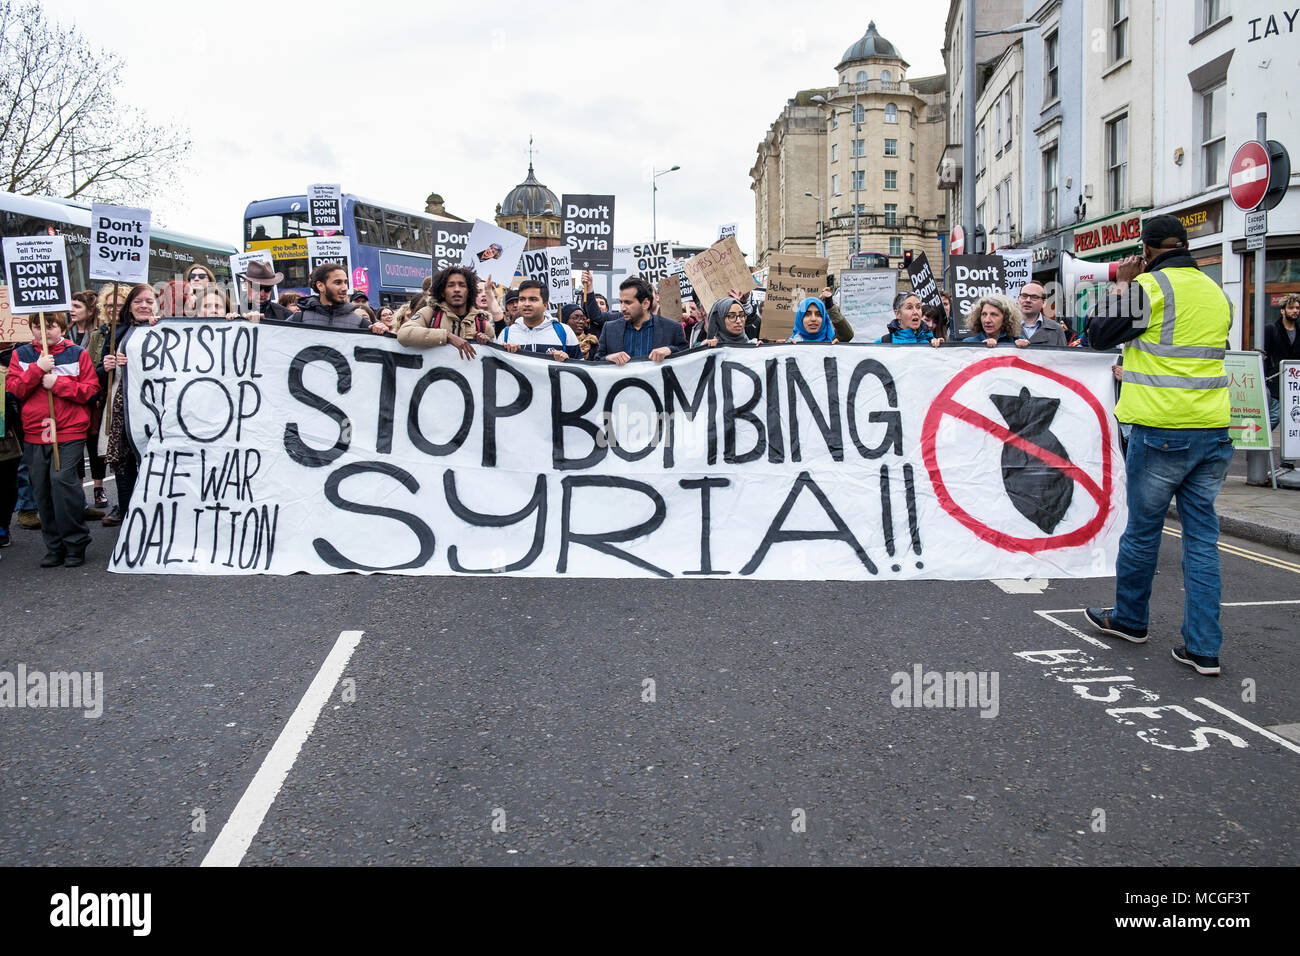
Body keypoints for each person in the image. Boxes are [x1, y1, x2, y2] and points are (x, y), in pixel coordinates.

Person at [1083, 214, 1235, 676]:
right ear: (1186, 244)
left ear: (1146, 250)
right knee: (1203, 540)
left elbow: (1096, 336)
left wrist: (1122, 286)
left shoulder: (1150, 289)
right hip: (1212, 432)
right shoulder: (1217, 293)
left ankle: (1130, 620)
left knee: (1144, 532)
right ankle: (1203, 648)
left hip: (1161, 431)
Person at [5, 311, 100, 567]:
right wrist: (37, 369)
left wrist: (57, 383)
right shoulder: (21, 355)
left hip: (69, 430)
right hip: (36, 432)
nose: (43, 331)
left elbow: (91, 390)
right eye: (37, 326)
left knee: (61, 483)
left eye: (50, 326)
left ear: (61, 327)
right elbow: (14, 389)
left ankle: (75, 542)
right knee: (42, 490)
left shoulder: (77, 354)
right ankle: (54, 545)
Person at [99, 283, 159, 527]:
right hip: (125, 408)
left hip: (157, 409)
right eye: (138, 302)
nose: (144, 305)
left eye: (149, 301)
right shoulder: (117, 333)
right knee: (125, 468)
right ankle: (128, 524)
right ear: (129, 307)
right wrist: (108, 365)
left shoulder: (168, 329)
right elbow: (100, 375)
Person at [67, 290, 109, 516]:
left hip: (93, 395)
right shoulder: (64, 332)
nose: (71, 310)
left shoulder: (99, 334)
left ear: (90, 310)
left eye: (77, 306)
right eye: (71, 306)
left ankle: (99, 487)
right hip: (70, 395)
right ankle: (78, 493)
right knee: (74, 444)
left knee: (94, 443)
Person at [394, 265, 483, 359]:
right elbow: (404, 334)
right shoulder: (429, 313)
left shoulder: (481, 322)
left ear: (469, 292)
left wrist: (486, 342)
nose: (457, 289)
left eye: (462, 285)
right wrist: (446, 336)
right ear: (442, 292)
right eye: (451, 285)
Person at [595, 277, 687, 364]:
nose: (622, 308)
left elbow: (687, 355)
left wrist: (670, 350)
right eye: (621, 302)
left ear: (645, 304)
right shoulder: (609, 329)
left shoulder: (672, 328)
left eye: (628, 302)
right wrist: (608, 358)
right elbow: (597, 361)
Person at [497, 280, 580, 360]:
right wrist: (506, 354)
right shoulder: (506, 334)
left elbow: (581, 368)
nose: (526, 304)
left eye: (533, 299)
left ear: (545, 305)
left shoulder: (564, 332)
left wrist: (566, 361)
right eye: (522, 299)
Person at [292, 264, 372, 329]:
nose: (345, 288)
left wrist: (381, 330)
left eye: (345, 282)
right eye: (338, 283)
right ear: (320, 286)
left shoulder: (360, 323)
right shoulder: (298, 319)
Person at [1263, 293, 1300, 435]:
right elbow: (1264, 356)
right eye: (1291, 308)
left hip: (1295, 385)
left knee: (1293, 420)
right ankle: (1256, 440)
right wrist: (1264, 381)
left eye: (1297, 308)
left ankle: (1287, 457)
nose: (1295, 311)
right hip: (1274, 383)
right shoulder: (1271, 329)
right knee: (1275, 416)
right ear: (1282, 310)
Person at [962, 295, 1030, 347]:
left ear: (1006, 318)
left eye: (993, 314)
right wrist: (981, 349)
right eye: (984, 314)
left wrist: (1026, 351)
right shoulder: (969, 343)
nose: (987, 320)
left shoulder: (1016, 341)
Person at [877, 292, 943, 346]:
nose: (915, 312)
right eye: (909, 308)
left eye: (918, 307)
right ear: (898, 314)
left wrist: (941, 347)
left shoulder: (931, 342)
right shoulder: (884, 342)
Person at [1017, 281, 1068, 346]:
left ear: (1044, 302)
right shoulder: (1005, 327)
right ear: (1018, 299)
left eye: (1034, 297)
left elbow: (1062, 355)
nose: (1028, 300)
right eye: (1024, 296)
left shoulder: (1056, 329)